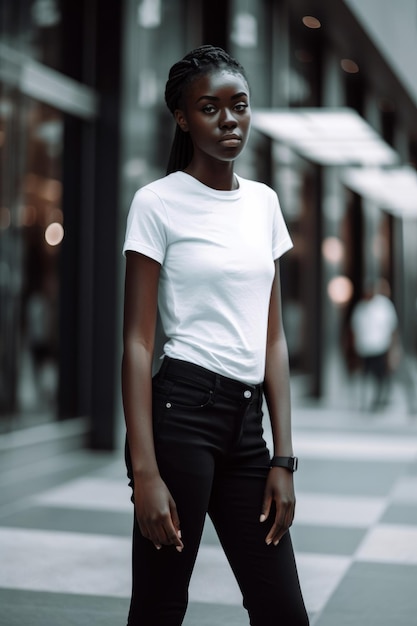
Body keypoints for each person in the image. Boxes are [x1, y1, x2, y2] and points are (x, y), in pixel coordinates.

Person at [121, 45, 309, 626]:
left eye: (239, 106)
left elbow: (272, 338)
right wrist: (145, 473)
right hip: (181, 416)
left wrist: (284, 457)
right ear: (183, 117)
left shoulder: (264, 204)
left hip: (247, 428)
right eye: (210, 108)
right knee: (159, 608)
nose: (229, 121)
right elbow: (137, 342)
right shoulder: (157, 203)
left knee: (282, 611)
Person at [350, 279, 399, 411]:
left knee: (380, 376)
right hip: (365, 348)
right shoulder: (360, 308)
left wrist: (392, 349)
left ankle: (379, 401)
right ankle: (365, 401)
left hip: (380, 347)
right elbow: (354, 329)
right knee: (365, 376)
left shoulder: (383, 306)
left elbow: (392, 328)